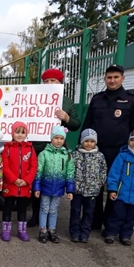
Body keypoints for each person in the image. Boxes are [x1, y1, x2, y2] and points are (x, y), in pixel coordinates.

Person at [82, 64, 134, 232]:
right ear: (105, 79)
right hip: (96, 150)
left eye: (116, 77)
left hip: (120, 151)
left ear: (122, 78)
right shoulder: (97, 99)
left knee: (114, 186)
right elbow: (88, 124)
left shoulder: (131, 100)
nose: (112, 80)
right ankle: (94, 221)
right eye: (109, 77)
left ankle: (110, 223)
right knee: (94, 186)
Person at [28, 68, 81, 227]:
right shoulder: (34, 97)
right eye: (47, 81)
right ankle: (36, 215)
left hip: (56, 149)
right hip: (37, 147)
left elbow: (76, 124)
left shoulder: (66, 101)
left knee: (52, 180)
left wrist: (67, 117)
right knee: (36, 180)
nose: (50, 84)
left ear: (60, 83)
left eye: (53, 81)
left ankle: (50, 216)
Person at [33, 125, 75, 243]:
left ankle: (52, 230)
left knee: (54, 209)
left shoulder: (67, 155)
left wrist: (70, 190)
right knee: (44, 208)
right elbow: (38, 172)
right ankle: (43, 230)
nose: (58, 141)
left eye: (61, 138)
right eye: (56, 138)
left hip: (58, 188)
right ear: (51, 138)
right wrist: (36, 187)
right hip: (46, 187)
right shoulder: (44, 154)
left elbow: (70, 174)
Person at [0, 121, 37, 242]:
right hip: (11, 184)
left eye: (23, 132)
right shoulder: (7, 148)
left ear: (26, 134)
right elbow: (5, 166)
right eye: (17, 132)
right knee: (8, 207)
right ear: (12, 133)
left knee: (22, 208)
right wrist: (14, 179)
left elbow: (33, 166)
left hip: (25, 185)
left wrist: (27, 180)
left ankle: (22, 231)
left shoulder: (30, 148)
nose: (20, 135)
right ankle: (6, 231)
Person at [69, 129, 107, 243]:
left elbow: (103, 171)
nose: (89, 144)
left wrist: (99, 184)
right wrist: (71, 185)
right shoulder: (75, 155)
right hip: (77, 189)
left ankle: (85, 233)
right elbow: (70, 171)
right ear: (82, 141)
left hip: (92, 191)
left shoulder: (100, 156)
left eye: (92, 141)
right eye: (86, 141)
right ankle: (74, 232)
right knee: (75, 211)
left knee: (89, 212)